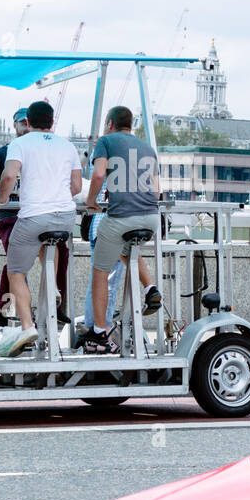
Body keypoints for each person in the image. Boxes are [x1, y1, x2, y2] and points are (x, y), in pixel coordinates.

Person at [0, 100, 81, 357]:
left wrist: (2, 199)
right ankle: (52, 286)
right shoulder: (68, 145)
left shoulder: (19, 143)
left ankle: (27, 326)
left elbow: (9, 176)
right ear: (52, 122)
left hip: (34, 216)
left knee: (16, 270)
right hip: (65, 218)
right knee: (51, 248)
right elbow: (76, 186)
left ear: (28, 122)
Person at [81, 105, 162, 353]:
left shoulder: (105, 141)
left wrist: (90, 202)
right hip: (151, 219)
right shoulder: (148, 148)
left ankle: (99, 333)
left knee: (100, 272)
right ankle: (150, 287)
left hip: (121, 218)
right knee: (124, 251)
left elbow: (97, 176)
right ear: (131, 125)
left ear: (110, 123)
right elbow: (157, 191)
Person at [0, 107, 69, 326]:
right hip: (12, 216)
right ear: (15, 125)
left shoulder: (38, 150)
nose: (24, 127)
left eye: (26, 122)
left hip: (32, 213)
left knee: (57, 250)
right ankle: (6, 307)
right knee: (20, 256)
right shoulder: (3, 153)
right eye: (20, 123)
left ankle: (52, 302)